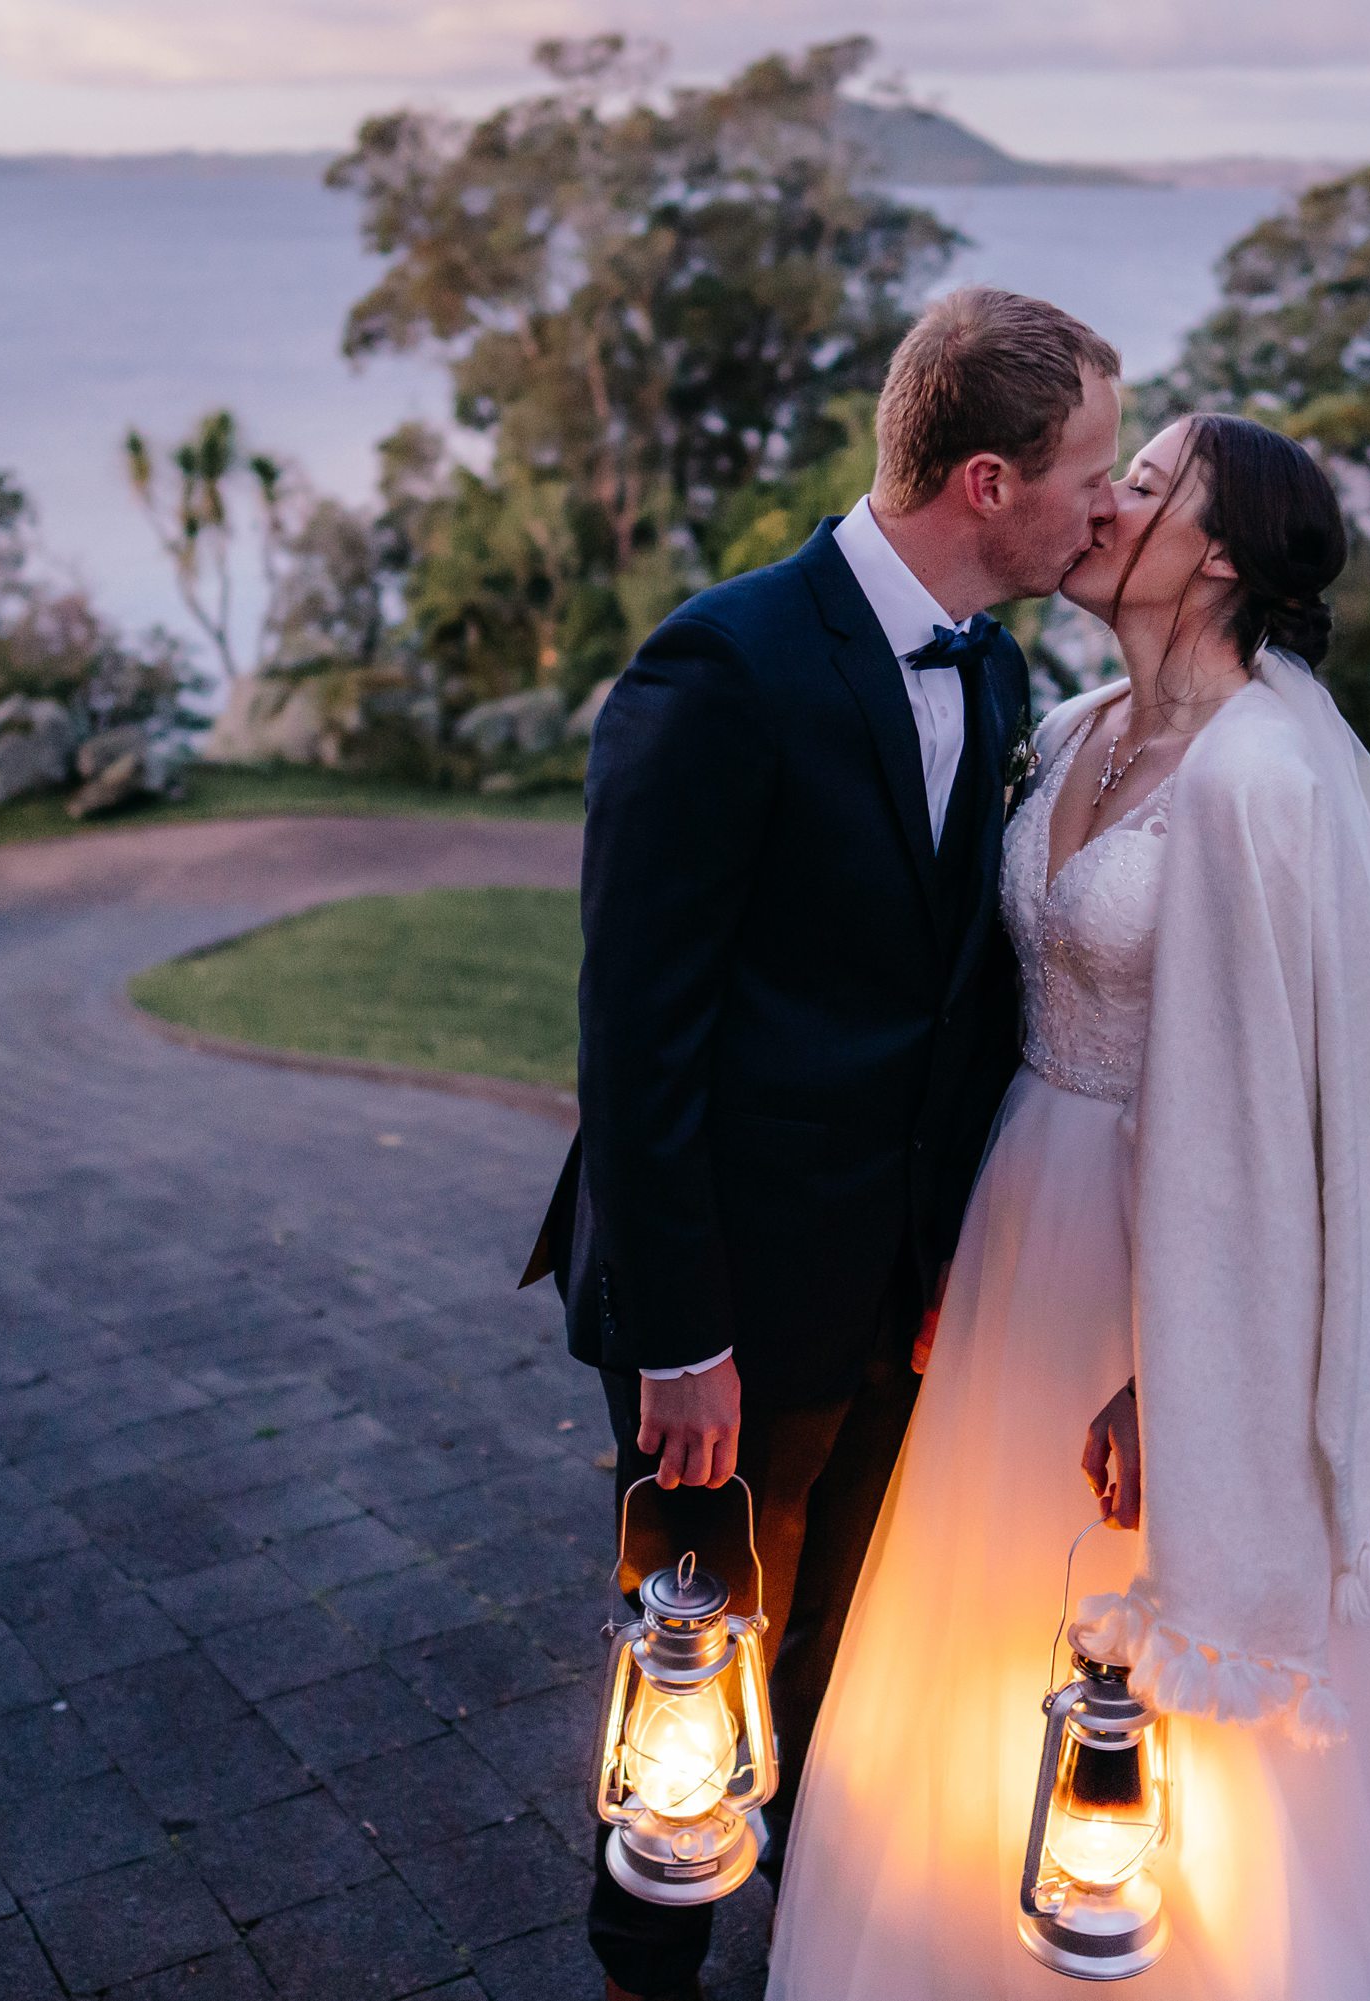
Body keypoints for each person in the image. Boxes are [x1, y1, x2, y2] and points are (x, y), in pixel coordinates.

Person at [764, 414, 1370, 1998]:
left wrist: (1180, 1364)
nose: (1110, 495)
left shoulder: (1266, 774)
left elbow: (1303, 1116)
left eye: (1153, 479)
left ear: (1227, 556)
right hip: (1016, 1243)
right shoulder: (1069, 729)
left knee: (1181, 1661)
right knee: (983, 1624)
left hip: (1178, 1264)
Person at [519, 286, 1124, 2001]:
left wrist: (942, 1269)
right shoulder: (722, 664)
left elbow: (957, 1000)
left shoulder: (996, 665)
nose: (1108, 507)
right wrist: (682, 1334)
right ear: (990, 481)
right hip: (725, 1295)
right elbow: (636, 1039)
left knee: (845, 1659)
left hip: (897, 1296)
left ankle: (826, 1954)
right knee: (692, 1656)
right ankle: (646, 1963)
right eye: (1088, 471)